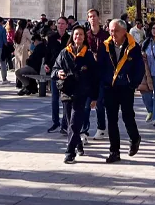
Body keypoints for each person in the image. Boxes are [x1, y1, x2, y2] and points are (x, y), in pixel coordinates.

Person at [96, 19, 145, 163]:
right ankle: (114, 151)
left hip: (125, 87)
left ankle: (135, 138)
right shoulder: (105, 46)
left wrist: (133, 84)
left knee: (127, 116)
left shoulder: (133, 47)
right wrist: (102, 82)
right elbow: (100, 66)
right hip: (109, 88)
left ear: (124, 31)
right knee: (111, 120)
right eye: (111, 30)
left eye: (116, 30)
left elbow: (139, 68)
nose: (113, 33)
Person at [53, 26, 99, 164]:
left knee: (74, 122)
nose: (78, 37)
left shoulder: (88, 55)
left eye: (81, 34)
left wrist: (94, 97)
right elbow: (54, 69)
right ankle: (78, 143)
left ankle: (69, 152)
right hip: (66, 91)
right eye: (76, 34)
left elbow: (94, 77)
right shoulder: (64, 53)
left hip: (81, 93)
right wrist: (58, 73)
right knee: (69, 123)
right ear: (72, 36)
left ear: (84, 37)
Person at [85, 9, 110, 139]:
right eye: (90, 16)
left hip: (102, 72)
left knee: (100, 102)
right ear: (88, 19)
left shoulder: (106, 36)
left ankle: (101, 128)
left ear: (99, 18)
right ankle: (85, 129)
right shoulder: (86, 35)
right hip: (89, 74)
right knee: (87, 103)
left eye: (94, 16)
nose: (92, 18)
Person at [45, 17, 69, 133]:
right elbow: (48, 53)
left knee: (65, 99)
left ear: (66, 25)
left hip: (66, 72)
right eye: (58, 23)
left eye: (62, 23)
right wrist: (46, 64)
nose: (60, 25)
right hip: (54, 71)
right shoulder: (51, 38)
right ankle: (55, 122)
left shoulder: (69, 39)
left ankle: (65, 124)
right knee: (54, 98)